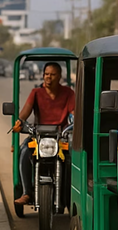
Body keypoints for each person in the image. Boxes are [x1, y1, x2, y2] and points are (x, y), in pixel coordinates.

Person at [13, 62, 75, 206]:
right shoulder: (36, 93)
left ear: (59, 76)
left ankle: (70, 195)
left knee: (74, 157)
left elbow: (74, 113)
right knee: (23, 152)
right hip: (38, 136)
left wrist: (75, 122)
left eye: (52, 75)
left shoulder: (68, 93)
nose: (48, 77)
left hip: (61, 137)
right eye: (46, 74)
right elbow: (25, 113)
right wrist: (19, 122)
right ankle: (27, 192)